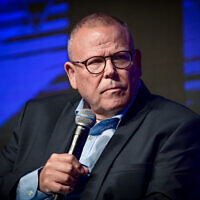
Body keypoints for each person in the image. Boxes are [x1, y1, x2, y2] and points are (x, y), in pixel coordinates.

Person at [1, 12, 200, 200]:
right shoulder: (36, 116)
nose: (110, 71)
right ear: (72, 74)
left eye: (120, 57)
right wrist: (35, 183)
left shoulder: (179, 127)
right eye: (95, 62)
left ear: (137, 63)